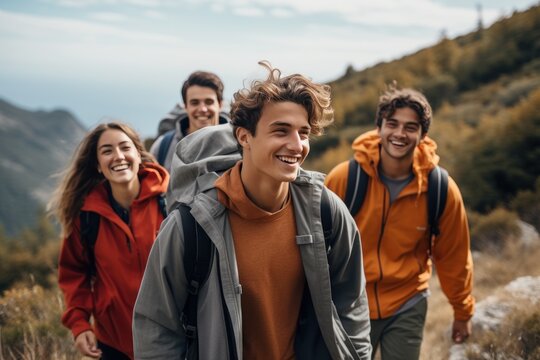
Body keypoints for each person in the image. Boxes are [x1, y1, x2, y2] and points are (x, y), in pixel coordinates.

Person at [133, 61, 372, 359]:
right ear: (244, 137)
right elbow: (156, 328)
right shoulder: (189, 227)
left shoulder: (326, 211)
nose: (296, 145)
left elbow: (352, 305)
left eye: (304, 132)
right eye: (281, 131)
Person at [325, 85, 475, 359]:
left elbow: (454, 256)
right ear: (379, 128)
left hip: (408, 302)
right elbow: (317, 245)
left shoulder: (440, 188)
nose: (399, 134)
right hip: (349, 304)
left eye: (410, 127)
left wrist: (462, 311)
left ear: (423, 135)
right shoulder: (345, 178)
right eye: (392, 124)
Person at [48, 122, 169, 359]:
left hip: (169, 342)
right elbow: (74, 273)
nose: (118, 156)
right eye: (107, 151)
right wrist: (79, 323)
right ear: (98, 165)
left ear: (138, 153)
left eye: (125, 147)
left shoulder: (168, 202)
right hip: (114, 345)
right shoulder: (87, 216)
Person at [149, 70, 230, 171]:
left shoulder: (239, 143)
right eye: (195, 103)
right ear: (185, 107)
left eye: (209, 102)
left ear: (220, 105)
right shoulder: (162, 147)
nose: (202, 109)